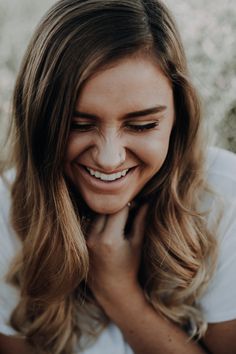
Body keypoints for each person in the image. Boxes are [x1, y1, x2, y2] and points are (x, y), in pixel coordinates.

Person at [0, 0, 236, 353]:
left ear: (178, 117)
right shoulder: (6, 209)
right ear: (39, 119)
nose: (109, 158)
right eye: (78, 124)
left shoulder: (224, 196)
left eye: (142, 125)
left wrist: (121, 297)